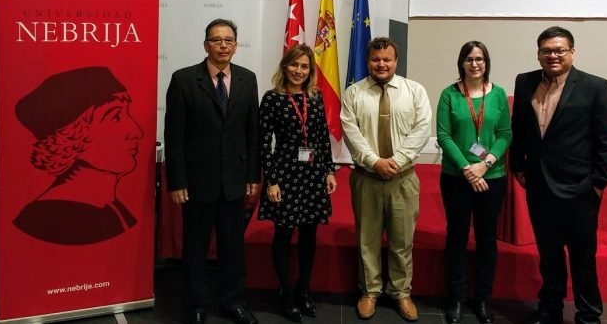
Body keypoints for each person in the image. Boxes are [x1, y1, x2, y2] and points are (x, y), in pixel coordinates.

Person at [510, 27, 607, 324]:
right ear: (538, 54)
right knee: (549, 254)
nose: (553, 55)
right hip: (539, 185)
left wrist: (598, 183)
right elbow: (519, 127)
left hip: (580, 188)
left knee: (583, 257)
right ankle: (550, 308)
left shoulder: (596, 87)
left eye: (559, 50)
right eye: (546, 50)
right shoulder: (525, 81)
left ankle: (588, 315)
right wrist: (518, 165)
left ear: (572, 52)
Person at [165, 19, 260, 324]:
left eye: (228, 40)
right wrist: (177, 181)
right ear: (206, 44)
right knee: (196, 247)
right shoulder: (183, 80)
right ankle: (196, 304)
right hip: (196, 182)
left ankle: (233, 301)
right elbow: (174, 136)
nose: (223, 45)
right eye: (217, 40)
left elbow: (253, 132)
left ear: (236, 45)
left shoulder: (248, 79)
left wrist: (252, 174)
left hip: (234, 180)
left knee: (233, 247)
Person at [340, 37, 432, 322]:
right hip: (366, 177)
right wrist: (374, 161)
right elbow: (351, 132)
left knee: (402, 241)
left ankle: (401, 292)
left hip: (402, 178)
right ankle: (370, 291)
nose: (381, 64)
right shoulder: (354, 93)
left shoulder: (414, 91)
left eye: (387, 59)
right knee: (367, 239)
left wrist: (397, 161)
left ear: (396, 61)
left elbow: (422, 128)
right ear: (368, 61)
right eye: (375, 59)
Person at [13, 66, 143, 245]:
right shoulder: (51, 217)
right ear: (71, 135)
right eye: (116, 117)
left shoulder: (109, 207)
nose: (137, 131)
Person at [257, 44, 337, 322]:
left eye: (304, 66)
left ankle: (304, 289)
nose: (299, 71)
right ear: (285, 66)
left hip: (312, 175)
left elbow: (322, 137)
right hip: (284, 175)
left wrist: (329, 171)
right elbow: (264, 143)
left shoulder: (315, 96)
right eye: (294, 65)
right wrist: (271, 181)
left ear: (310, 70)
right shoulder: (272, 98)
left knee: (309, 234)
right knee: (283, 233)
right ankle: (287, 292)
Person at [435, 41, 512, 323]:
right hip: (456, 177)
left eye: (480, 59)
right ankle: (456, 298)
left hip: (492, 178)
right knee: (456, 236)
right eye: (469, 59)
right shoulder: (449, 94)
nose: (475, 64)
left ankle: (482, 299)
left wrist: (485, 164)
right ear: (461, 63)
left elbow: (505, 134)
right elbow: (444, 136)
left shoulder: (498, 94)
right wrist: (468, 169)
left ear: (486, 63)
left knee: (486, 238)